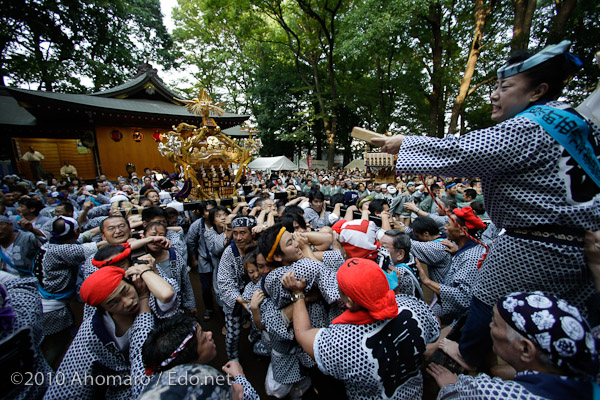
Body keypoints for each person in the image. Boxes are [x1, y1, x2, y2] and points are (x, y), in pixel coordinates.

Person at [373, 40, 600, 369]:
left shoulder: (531, 124)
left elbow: (463, 150)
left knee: (486, 309)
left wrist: (404, 143)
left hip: (532, 249)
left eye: (505, 86)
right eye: (495, 86)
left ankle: (469, 361)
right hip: (578, 251)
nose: (495, 94)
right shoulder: (576, 122)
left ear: (538, 91)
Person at [281, 258, 439, 399]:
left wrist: (297, 294)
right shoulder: (412, 306)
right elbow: (435, 327)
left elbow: (303, 334)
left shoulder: (342, 342)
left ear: (349, 301)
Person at [428, 291, 598, 399]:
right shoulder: (591, 382)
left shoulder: (488, 393)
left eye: (494, 323)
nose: (489, 326)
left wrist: (451, 388)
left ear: (525, 349)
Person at [46, 266, 154, 400]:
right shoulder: (92, 333)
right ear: (103, 308)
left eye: (125, 291)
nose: (127, 302)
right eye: (114, 303)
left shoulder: (152, 299)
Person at [140, 314, 259, 400]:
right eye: (203, 337)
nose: (210, 334)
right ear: (188, 362)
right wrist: (240, 376)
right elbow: (245, 395)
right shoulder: (204, 388)